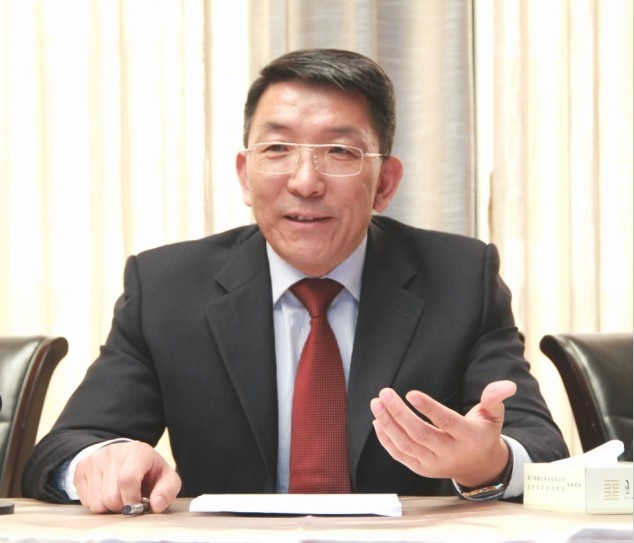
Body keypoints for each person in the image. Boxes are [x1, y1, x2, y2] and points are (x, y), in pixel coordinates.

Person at [22, 48, 568, 513]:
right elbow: (63, 450)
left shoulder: (460, 277)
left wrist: (488, 463)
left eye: (339, 152)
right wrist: (103, 460)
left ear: (384, 183)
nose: (305, 182)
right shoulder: (167, 286)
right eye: (277, 149)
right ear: (245, 175)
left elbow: (543, 450)